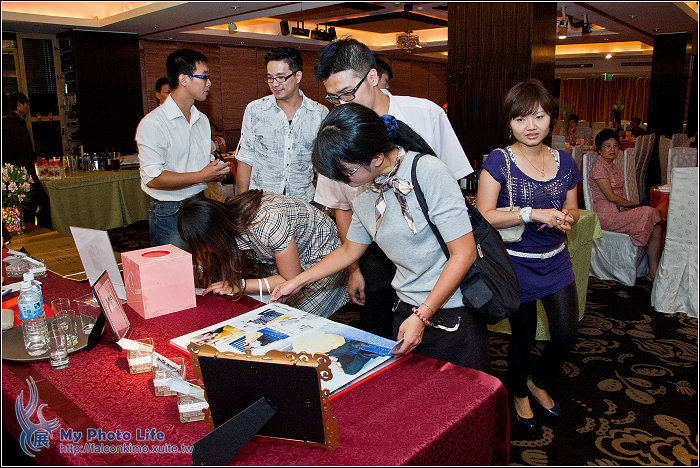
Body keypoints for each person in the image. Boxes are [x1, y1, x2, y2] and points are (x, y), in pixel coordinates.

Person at [271, 103, 490, 371]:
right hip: (407, 308)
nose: (343, 182)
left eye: (346, 174)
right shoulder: (365, 188)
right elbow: (350, 249)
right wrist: (297, 282)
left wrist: (423, 315)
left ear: (376, 158)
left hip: (451, 310)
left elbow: (463, 253)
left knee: (458, 391)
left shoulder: (427, 172)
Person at [312, 38, 473, 339]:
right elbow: (342, 206)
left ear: (372, 76)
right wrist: (354, 269)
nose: (342, 104)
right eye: (334, 98)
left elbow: (453, 185)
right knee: (379, 336)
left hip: (437, 254)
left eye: (347, 93)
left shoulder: (425, 114)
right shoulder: (337, 133)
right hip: (373, 248)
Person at [476, 79, 581, 429]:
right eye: (520, 119)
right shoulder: (499, 161)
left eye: (538, 116)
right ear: (510, 122)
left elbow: (573, 207)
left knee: (566, 334)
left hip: (556, 260)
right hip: (515, 265)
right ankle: (519, 391)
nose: (530, 126)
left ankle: (538, 380)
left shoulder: (565, 161)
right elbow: (485, 214)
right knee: (522, 335)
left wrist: (567, 217)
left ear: (551, 118)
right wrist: (531, 214)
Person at [177, 191, 348, 318]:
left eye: (204, 245)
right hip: (286, 262)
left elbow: (290, 280)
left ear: (215, 234)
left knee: (295, 320)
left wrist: (239, 285)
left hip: (322, 256)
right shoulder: (226, 223)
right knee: (272, 313)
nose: (204, 251)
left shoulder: (266, 223)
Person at [135, 48, 231, 250]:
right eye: (204, 77)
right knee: (174, 267)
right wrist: (202, 175)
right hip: (170, 209)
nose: (209, 83)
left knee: (202, 264)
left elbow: (199, 163)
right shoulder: (153, 123)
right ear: (184, 79)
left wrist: (215, 172)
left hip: (199, 201)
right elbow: (153, 178)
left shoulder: (202, 120)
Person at [235, 47, 328, 203]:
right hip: (261, 202)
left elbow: (323, 166)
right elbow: (245, 159)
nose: (274, 84)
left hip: (302, 201)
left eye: (280, 77)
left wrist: (324, 205)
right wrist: (240, 203)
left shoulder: (319, 113)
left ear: (298, 76)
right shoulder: (256, 110)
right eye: (270, 78)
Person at [588, 128, 664, 281]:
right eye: (607, 146)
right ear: (599, 150)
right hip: (606, 216)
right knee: (649, 212)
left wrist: (631, 207)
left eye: (615, 146)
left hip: (619, 213)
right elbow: (611, 197)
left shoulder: (613, 166)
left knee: (656, 228)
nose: (612, 149)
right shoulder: (599, 167)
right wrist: (635, 206)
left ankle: (653, 272)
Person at [2, 91, 51, 228]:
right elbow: (24, 150)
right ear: (18, 104)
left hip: (10, 175)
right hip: (21, 175)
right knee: (38, 207)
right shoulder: (15, 125)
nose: (28, 108)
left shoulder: (8, 123)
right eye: (27, 104)